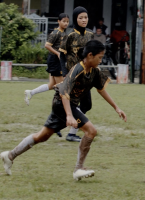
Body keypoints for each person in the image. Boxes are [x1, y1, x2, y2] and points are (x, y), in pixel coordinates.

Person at [0, 40, 127, 181]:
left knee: (42, 136)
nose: (101, 60)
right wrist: (69, 115)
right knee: (91, 131)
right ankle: (78, 168)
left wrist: (117, 108)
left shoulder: (95, 72)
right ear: (90, 55)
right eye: (100, 57)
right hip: (62, 104)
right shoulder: (77, 70)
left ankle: (10, 156)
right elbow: (63, 92)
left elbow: (101, 90)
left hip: (67, 105)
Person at [23, 13, 69, 137]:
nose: (66, 23)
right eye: (63, 21)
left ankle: (30, 92)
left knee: (52, 85)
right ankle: (56, 122)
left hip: (57, 61)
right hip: (55, 61)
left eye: (67, 21)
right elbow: (47, 45)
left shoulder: (64, 33)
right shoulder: (55, 33)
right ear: (59, 21)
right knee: (61, 90)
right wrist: (58, 54)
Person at [59, 6, 94, 142]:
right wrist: (64, 73)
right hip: (72, 75)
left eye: (85, 17)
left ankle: (62, 127)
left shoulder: (90, 35)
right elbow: (62, 56)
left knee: (86, 105)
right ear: (75, 19)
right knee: (74, 105)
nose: (84, 20)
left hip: (85, 76)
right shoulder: (69, 35)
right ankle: (70, 133)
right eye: (81, 18)